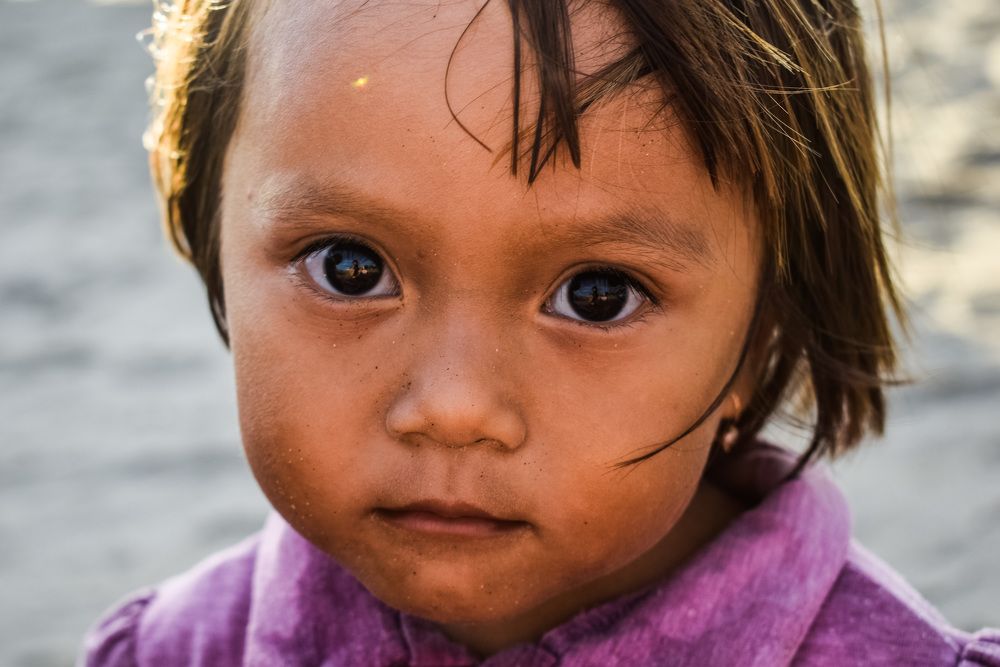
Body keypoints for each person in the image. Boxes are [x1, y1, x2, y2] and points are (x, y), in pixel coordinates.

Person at [82, 0, 999, 664]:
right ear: (206, 232)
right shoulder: (174, 649)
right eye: (350, 268)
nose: (453, 407)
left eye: (598, 296)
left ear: (759, 338)